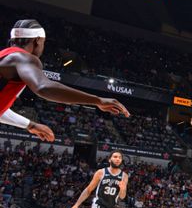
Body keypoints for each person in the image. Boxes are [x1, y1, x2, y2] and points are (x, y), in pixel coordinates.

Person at [0, 19, 130, 141]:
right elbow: (43, 88)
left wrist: (30, 125)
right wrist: (98, 100)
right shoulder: (24, 58)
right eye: (44, 43)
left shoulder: (7, 56)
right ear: (37, 40)